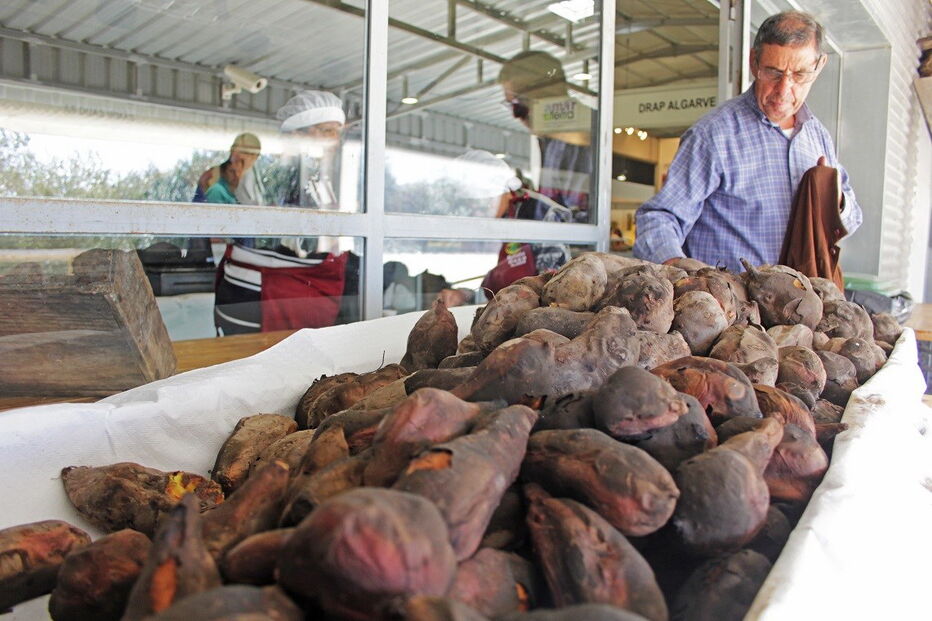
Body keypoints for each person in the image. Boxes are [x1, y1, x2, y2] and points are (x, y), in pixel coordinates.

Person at [632, 10, 863, 273]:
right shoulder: (714, 135)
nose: (784, 90)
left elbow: (853, 218)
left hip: (802, 296)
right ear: (754, 62)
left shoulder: (818, 137)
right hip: (729, 297)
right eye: (773, 72)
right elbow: (660, 217)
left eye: (799, 75)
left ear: (819, 66)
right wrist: (676, 270)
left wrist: (834, 199)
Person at [499, 50, 593, 222]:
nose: (516, 115)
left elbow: (577, 218)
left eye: (519, 103)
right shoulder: (552, 141)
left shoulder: (580, 137)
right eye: (510, 105)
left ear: (552, 90)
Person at [193, 132, 262, 204]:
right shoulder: (213, 179)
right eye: (247, 153)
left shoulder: (249, 177)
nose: (252, 158)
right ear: (232, 150)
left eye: (255, 155)